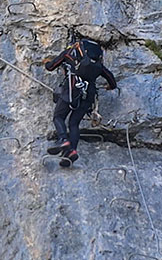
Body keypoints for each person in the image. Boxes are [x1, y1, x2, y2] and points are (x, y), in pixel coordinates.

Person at [43, 38, 117, 167]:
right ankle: (71, 152)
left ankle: (63, 140)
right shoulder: (97, 63)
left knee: (58, 117)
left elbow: (51, 66)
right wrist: (109, 87)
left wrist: (46, 63)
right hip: (88, 95)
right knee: (74, 123)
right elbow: (112, 80)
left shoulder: (69, 53)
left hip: (72, 90)